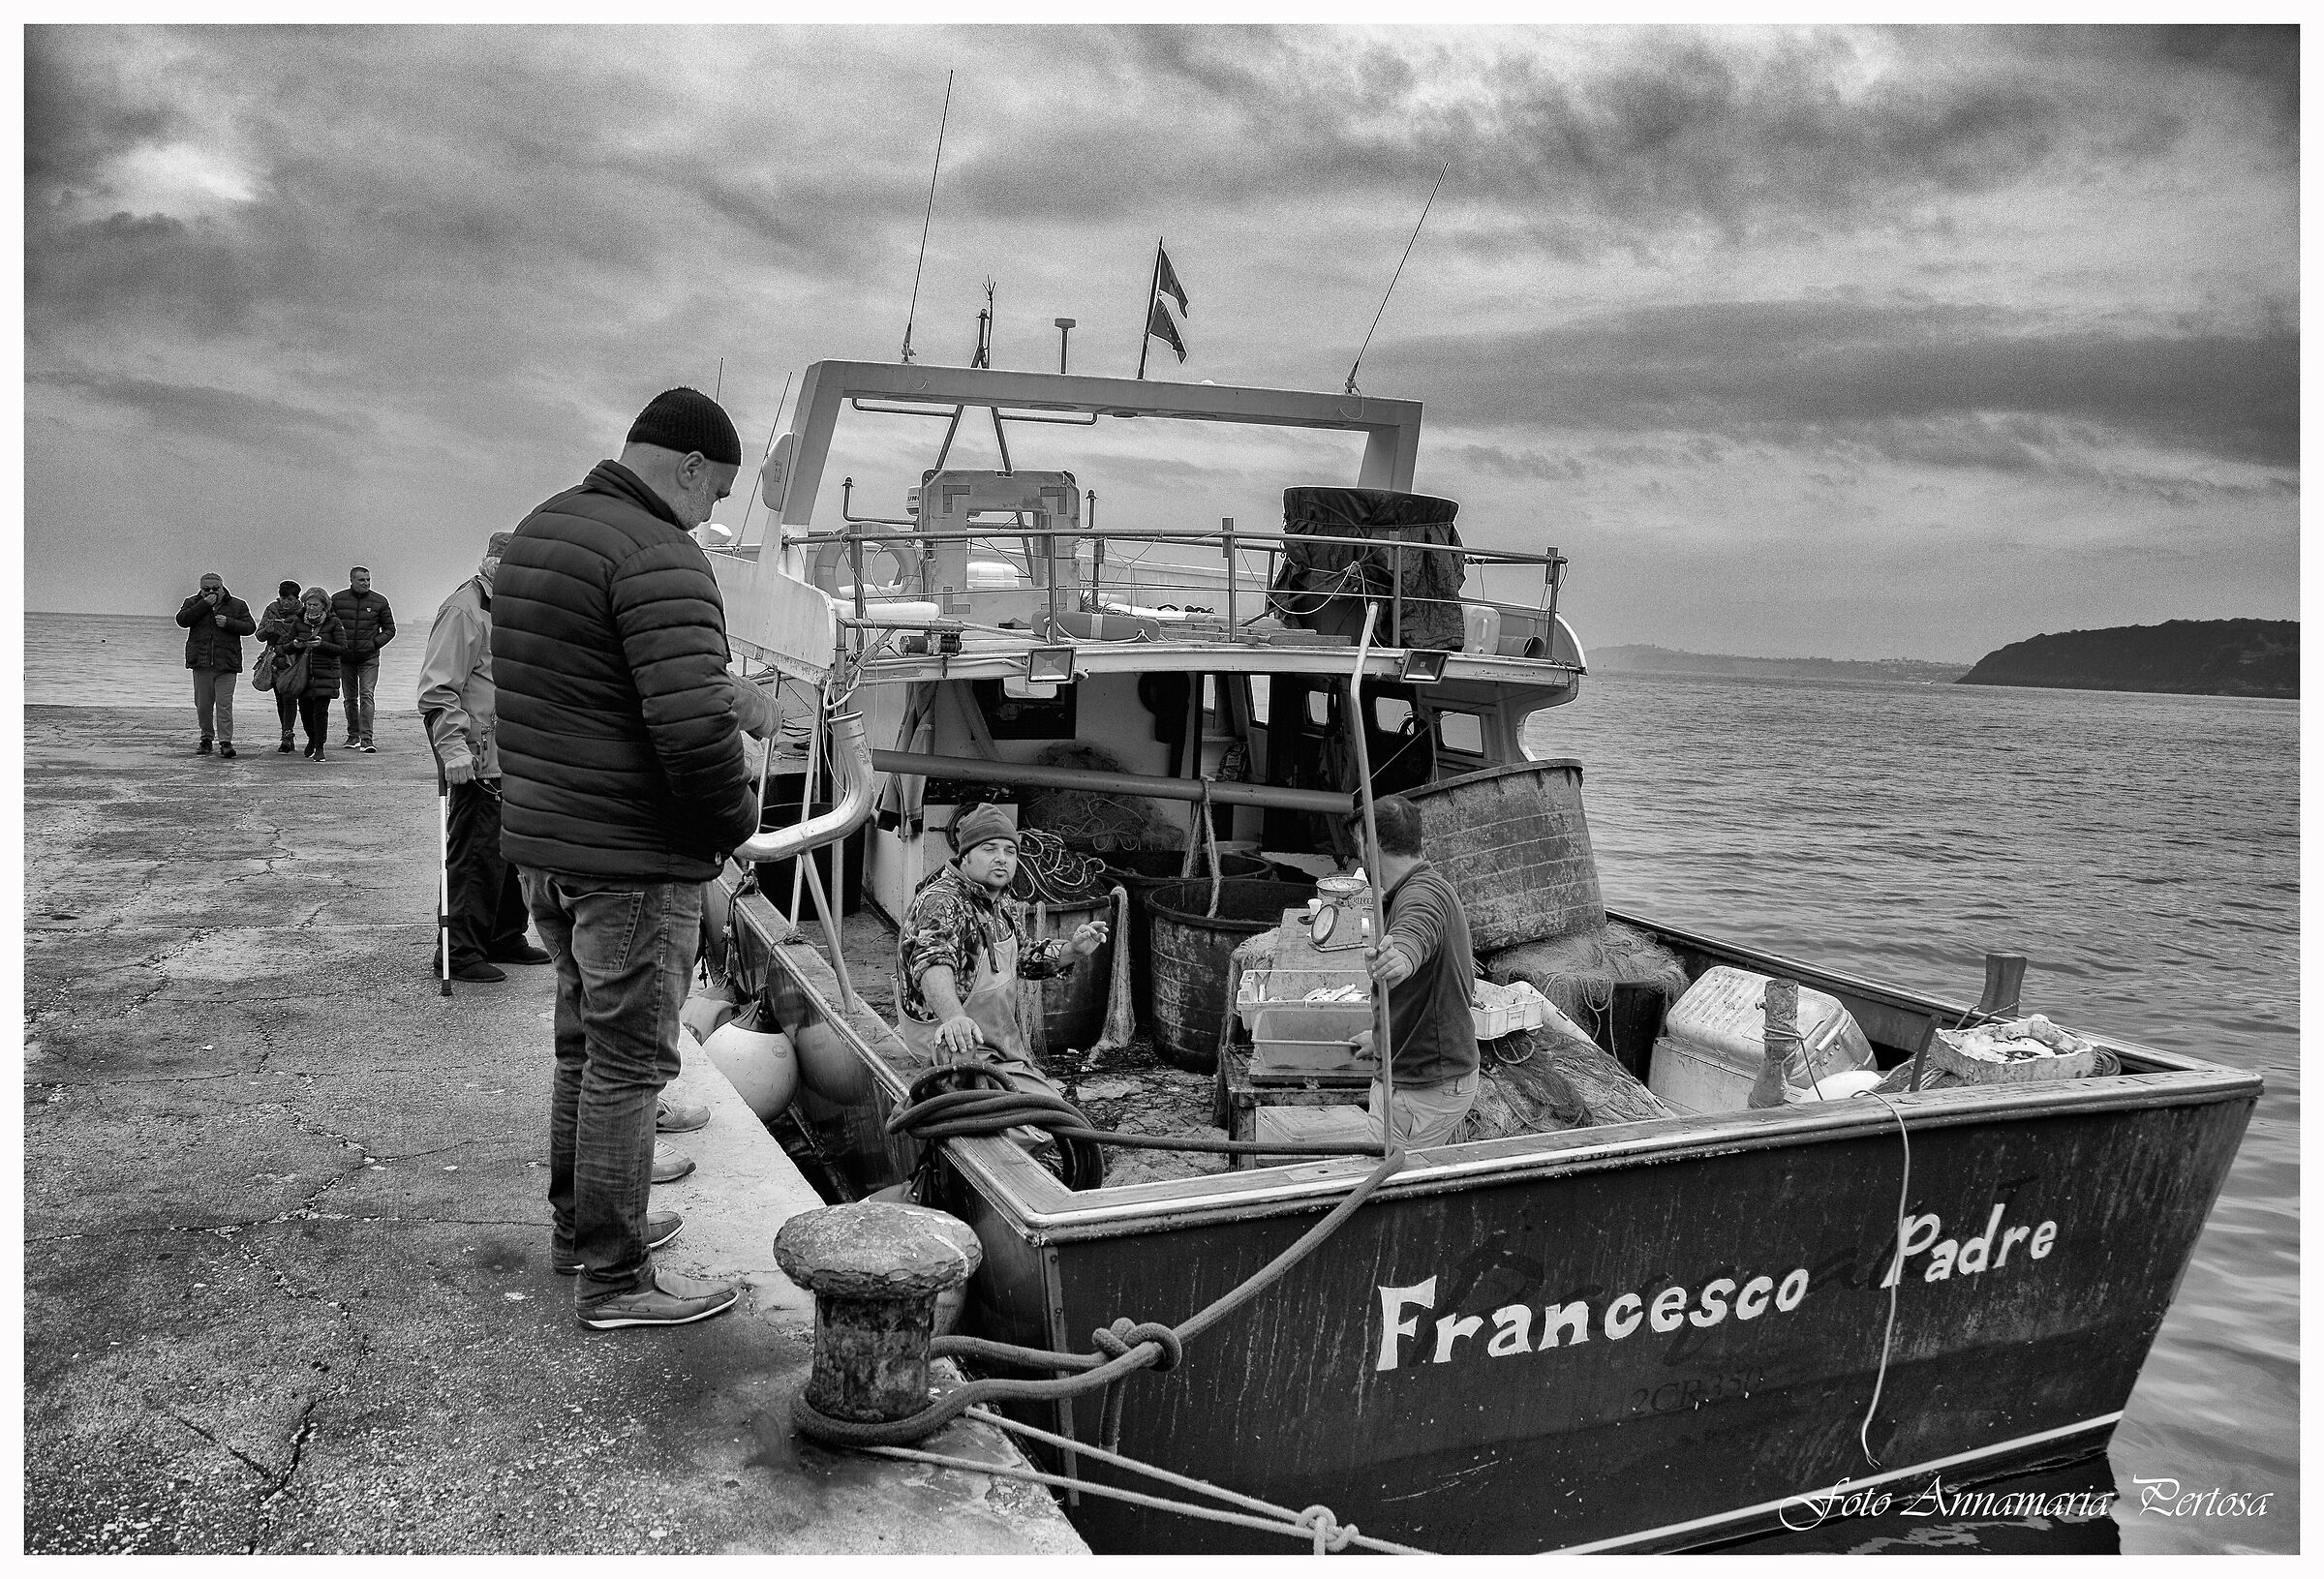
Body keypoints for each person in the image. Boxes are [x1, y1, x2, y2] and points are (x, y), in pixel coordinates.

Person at [493, 385, 767, 1331]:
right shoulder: (665, 554)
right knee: (627, 1061)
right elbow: (689, 737)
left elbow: (589, 683)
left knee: (582, 1038)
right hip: (632, 859)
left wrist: (724, 687)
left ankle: (585, 1227)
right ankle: (612, 1279)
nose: (713, 512)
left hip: (547, 845)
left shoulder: (544, 531)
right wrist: (735, 826)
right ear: (689, 468)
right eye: (717, 491)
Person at [895, 804, 1108, 1092]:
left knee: (1050, 1115)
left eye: (1010, 851)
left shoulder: (1000, 904)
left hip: (997, 1048)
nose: (1001, 859)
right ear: (965, 856)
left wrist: (1072, 949)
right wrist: (954, 1017)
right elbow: (932, 964)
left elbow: (1025, 957)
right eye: (989, 849)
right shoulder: (942, 901)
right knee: (1032, 1124)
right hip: (948, 1049)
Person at [416, 532, 553, 985]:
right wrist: (453, 751)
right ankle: (459, 950)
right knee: (474, 856)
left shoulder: (509, 608)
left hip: (511, 755)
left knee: (508, 854)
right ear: (492, 564)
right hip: (475, 760)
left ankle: (504, 935)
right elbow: (438, 692)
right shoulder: (465, 610)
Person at [1354, 794, 1482, 1148]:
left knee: (1381, 1188)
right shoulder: (1422, 884)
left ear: (1374, 843)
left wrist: (1400, 959)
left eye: (1359, 842)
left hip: (1423, 1087)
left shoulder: (1421, 896)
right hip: (1430, 1073)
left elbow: (1416, 932)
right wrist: (1380, 1040)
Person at [174, 572, 255, 758]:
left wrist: (229, 623)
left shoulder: (237, 604)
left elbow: (250, 627)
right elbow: (182, 620)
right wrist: (204, 605)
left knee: (224, 705)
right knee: (203, 705)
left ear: (222, 587)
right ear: (201, 589)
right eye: (206, 589)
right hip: (201, 663)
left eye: (215, 589)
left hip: (227, 663)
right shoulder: (192, 602)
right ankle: (206, 739)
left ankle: (225, 742)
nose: (211, 592)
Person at [331, 565, 396, 752]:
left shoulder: (379, 601)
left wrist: (373, 644)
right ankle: (353, 736)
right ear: (351, 580)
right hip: (345, 657)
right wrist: (337, 645)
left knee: (367, 694)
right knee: (350, 698)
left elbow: (390, 629)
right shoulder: (337, 600)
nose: (366, 583)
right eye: (361, 580)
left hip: (369, 657)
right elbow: (330, 625)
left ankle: (367, 739)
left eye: (368, 580)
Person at [286, 586, 348, 760]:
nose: (311, 607)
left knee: (320, 712)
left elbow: (342, 648)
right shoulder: (299, 622)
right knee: (305, 711)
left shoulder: (334, 623)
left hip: (325, 673)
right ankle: (312, 738)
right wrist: (295, 645)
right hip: (303, 674)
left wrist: (322, 645)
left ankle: (320, 746)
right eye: (308, 604)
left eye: (315, 604)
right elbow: (285, 645)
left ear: (324, 606)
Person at [255, 579, 306, 752]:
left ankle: (287, 734)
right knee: (280, 699)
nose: (285, 602)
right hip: (275, 658)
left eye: (290, 599)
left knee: (290, 697)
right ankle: (286, 734)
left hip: (295, 658)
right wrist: (269, 629)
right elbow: (259, 635)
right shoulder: (272, 609)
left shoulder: (303, 611)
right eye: (283, 598)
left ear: (297, 598)